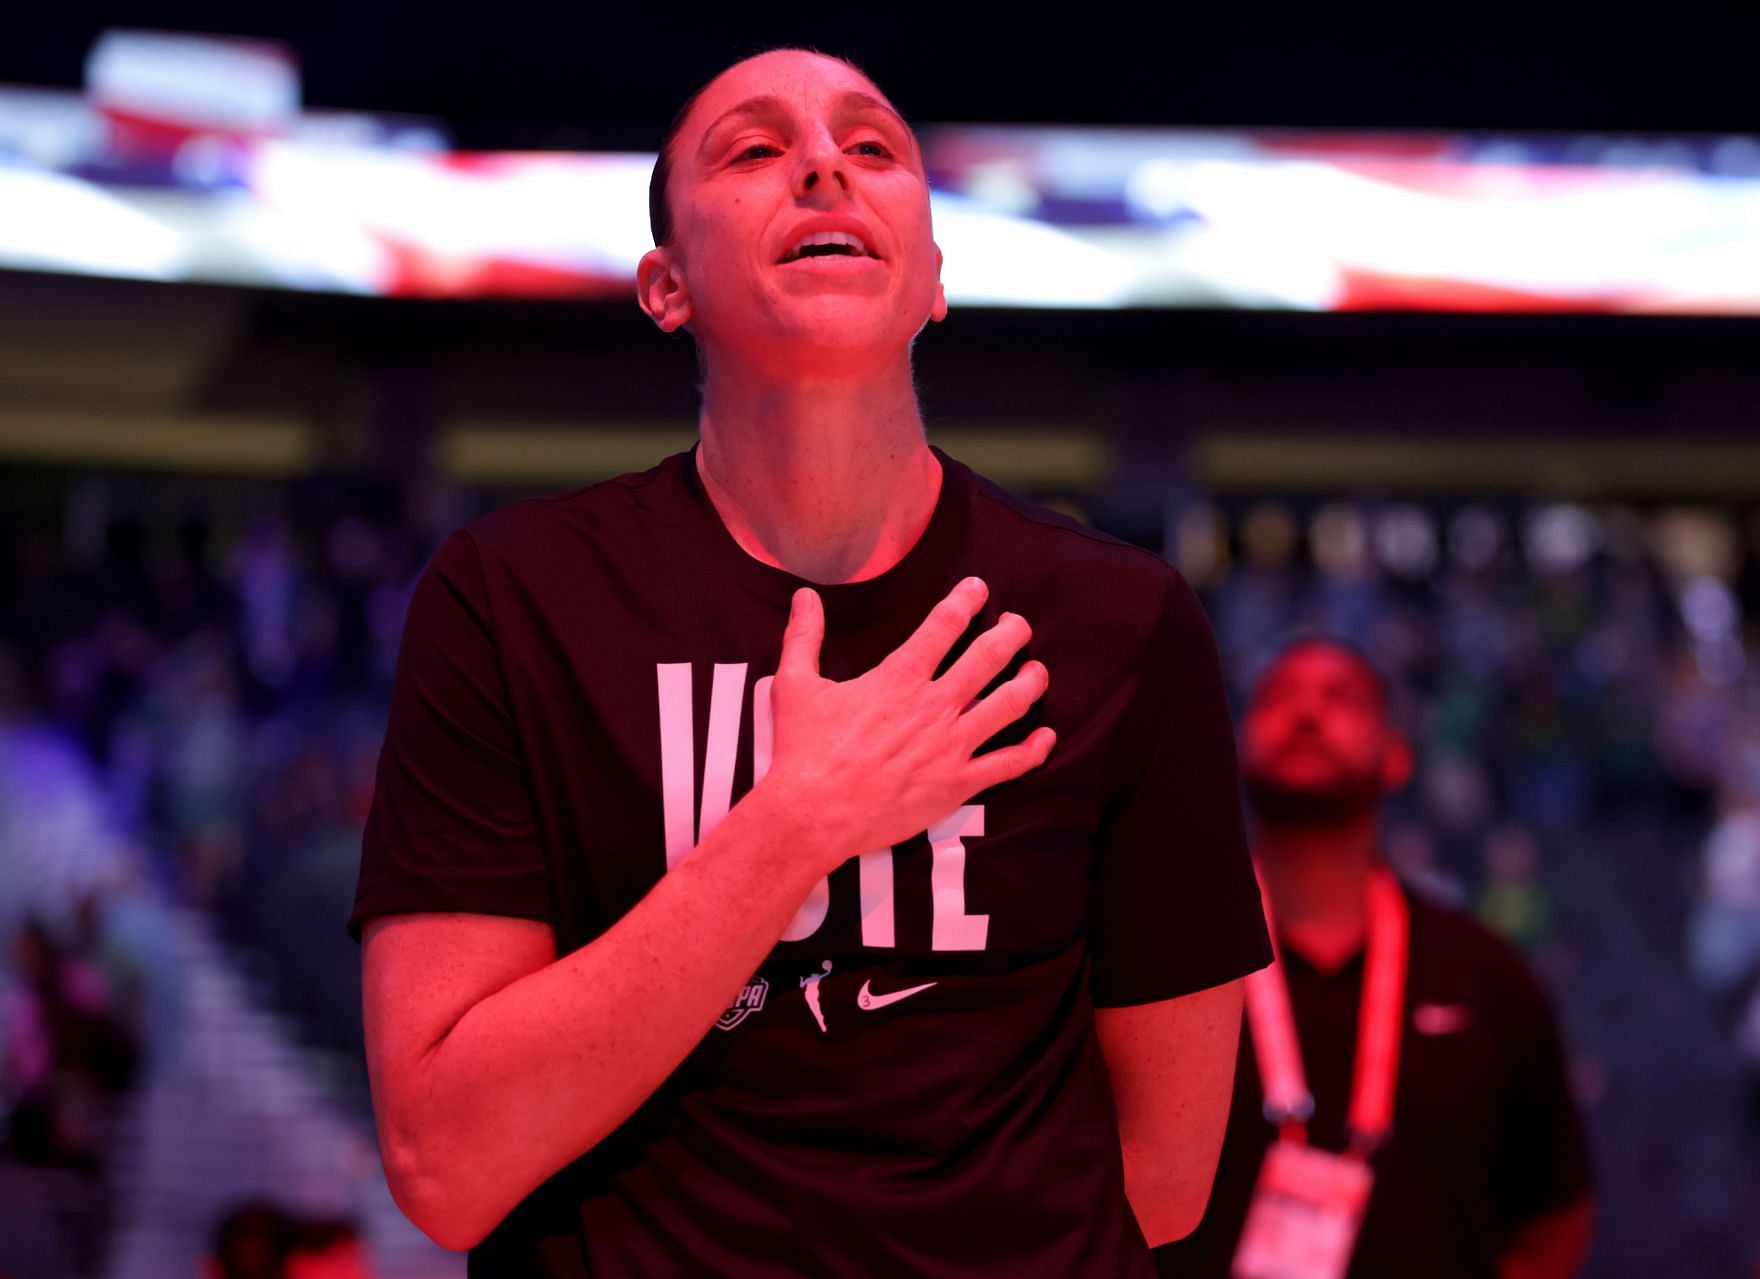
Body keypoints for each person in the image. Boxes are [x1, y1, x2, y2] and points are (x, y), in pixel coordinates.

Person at [350, 47, 1272, 1275]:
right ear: (666, 285)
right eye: (753, 148)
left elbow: (1164, 1178)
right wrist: (797, 823)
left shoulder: (1122, 621)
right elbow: (445, 1166)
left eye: (873, 146)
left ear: (934, 277)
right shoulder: (513, 599)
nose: (826, 165)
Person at [1154, 636, 1594, 1279]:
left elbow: (1553, 1219)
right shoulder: (1154, 961)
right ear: (1235, 742)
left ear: (1397, 755)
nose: (1306, 714)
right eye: (1278, 698)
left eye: (1340, 698)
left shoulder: (1487, 976)